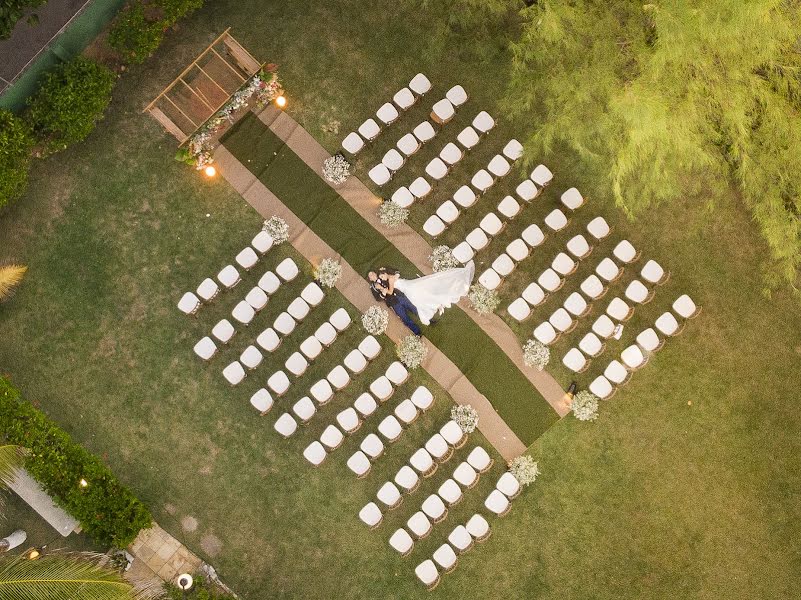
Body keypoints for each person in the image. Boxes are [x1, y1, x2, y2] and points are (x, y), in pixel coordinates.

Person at [368, 261, 475, 328]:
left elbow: (390, 291)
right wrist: (382, 289)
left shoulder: (389, 280)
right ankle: (437, 303)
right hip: (406, 288)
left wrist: (383, 287)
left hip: (408, 289)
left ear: (385, 274)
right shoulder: (380, 283)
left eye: (381, 276)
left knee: (420, 300)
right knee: (424, 293)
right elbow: (381, 296)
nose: (381, 277)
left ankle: (437, 303)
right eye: (380, 277)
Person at [368, 267, 422, 336]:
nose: (372, 275)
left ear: (375, 273)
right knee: (404, 318)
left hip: (399, 295)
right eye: (370, 276)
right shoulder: (373, 287)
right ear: (370, 279)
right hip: (393, 303)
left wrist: (390, 276)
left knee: (413, 307)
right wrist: (383, 293)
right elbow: (378, 299)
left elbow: (394, 271)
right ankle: (417, 332)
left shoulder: (382, 273)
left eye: (372, 273)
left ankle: (427, 318)